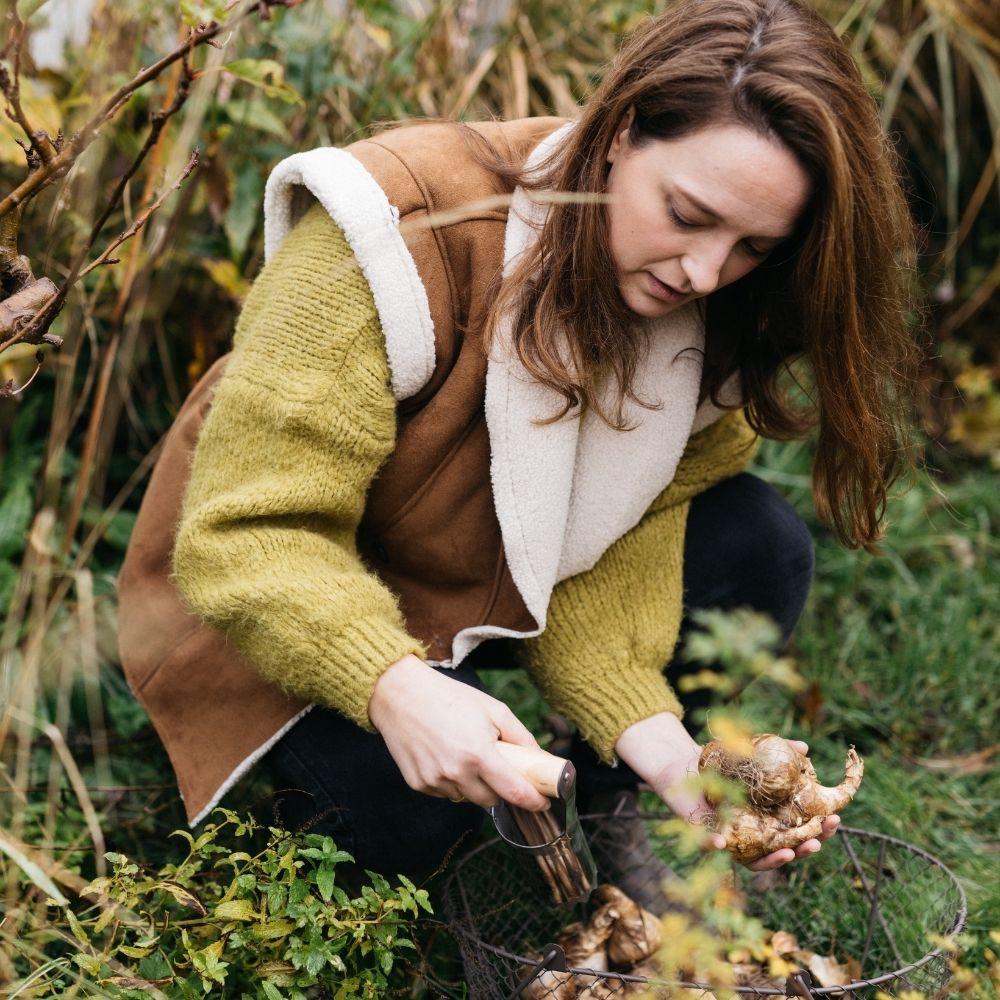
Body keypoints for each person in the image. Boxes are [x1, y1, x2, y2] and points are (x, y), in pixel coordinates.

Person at [117, 0, 917, 889]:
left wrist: (661, 747)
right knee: (409, 825)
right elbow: (246, 540)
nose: (703, 271)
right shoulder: (394, 230)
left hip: (471, 568)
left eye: (750, 246)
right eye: (687, 214)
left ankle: (615, 802)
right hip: (283, 594)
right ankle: (322, 777)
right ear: (617, 133)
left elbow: (603, 544)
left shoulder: (711, 312)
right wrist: (395, 685)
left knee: (758, 542)